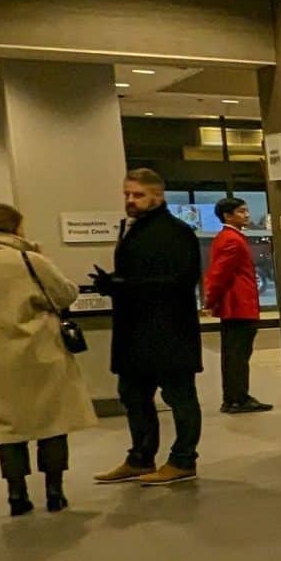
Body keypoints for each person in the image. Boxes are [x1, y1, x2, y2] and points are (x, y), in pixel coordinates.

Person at [0, 204, 96, 514]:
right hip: (40, 352)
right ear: (14, 228)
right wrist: (43, 259)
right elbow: (65, 295)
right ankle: (54, 492)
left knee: (6, 425)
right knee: (52, 421)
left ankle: (17, 494)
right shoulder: (27, 260)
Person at [91, 167, 203, 486]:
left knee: (179, 396)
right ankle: (140, 457)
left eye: (138, 195)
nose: (130, 200)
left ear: (157, 195)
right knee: (133, 395)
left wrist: (123, 286)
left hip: (169, 330)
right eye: (127, 194)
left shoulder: (176, 231)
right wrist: (115, 283)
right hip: (135, 330)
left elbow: (181, 281)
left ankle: (183, 459)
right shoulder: (134, 229)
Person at [203, 196, 269, 414]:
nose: (247, 215)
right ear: (228, 216)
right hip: (239, 306)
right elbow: (219, 274)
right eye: (241, 211)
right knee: (238, 355)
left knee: (235, 354)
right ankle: (236, 398)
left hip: (235, 306)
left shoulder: (228, 237)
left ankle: (235, 397)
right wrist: (210, 300)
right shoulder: (232, 239)